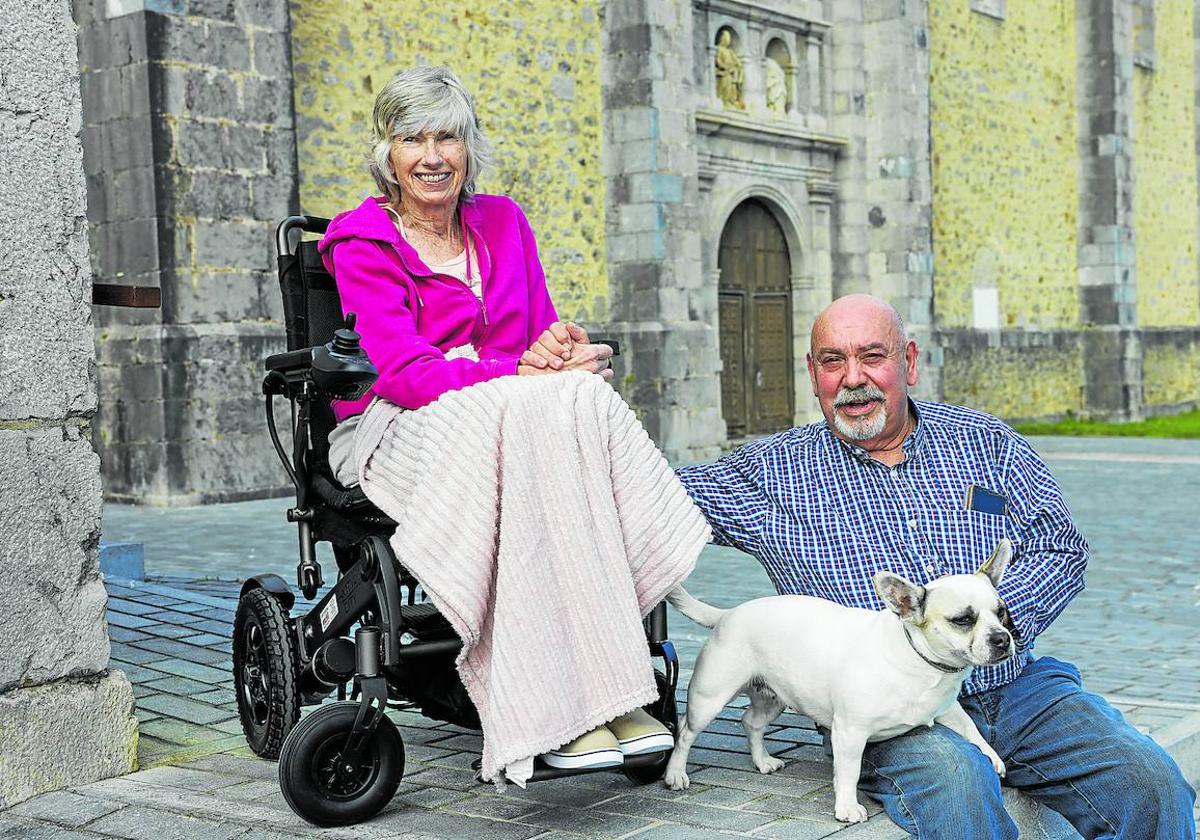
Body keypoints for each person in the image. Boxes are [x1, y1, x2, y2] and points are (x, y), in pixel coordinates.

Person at [676, 294, 1195, 838]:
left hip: (1017, 687)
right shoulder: (768, 471)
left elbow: (1060, 545)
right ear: (813, 374)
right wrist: (583, 387)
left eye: (872, 356)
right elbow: (649, 491)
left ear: (910, 362)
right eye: (833, 361)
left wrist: (983, 625)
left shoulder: (985, 442)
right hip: (887, 710)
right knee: (960, 786)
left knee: (1150, 780)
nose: (853, 378)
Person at [317, 66, 703, 784]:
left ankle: (614, 692)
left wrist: (558, 351)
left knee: (582, 396)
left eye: (448, 137)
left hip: (508, 412)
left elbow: (534, 339)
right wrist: (523, 377)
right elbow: (403, 372)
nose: (433, 155)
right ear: (388, 155)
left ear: (469, 148)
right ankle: (553, 712)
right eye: (413, 138)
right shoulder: (361, 239)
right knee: (549, 407)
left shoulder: (503, 222)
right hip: (399, 423)